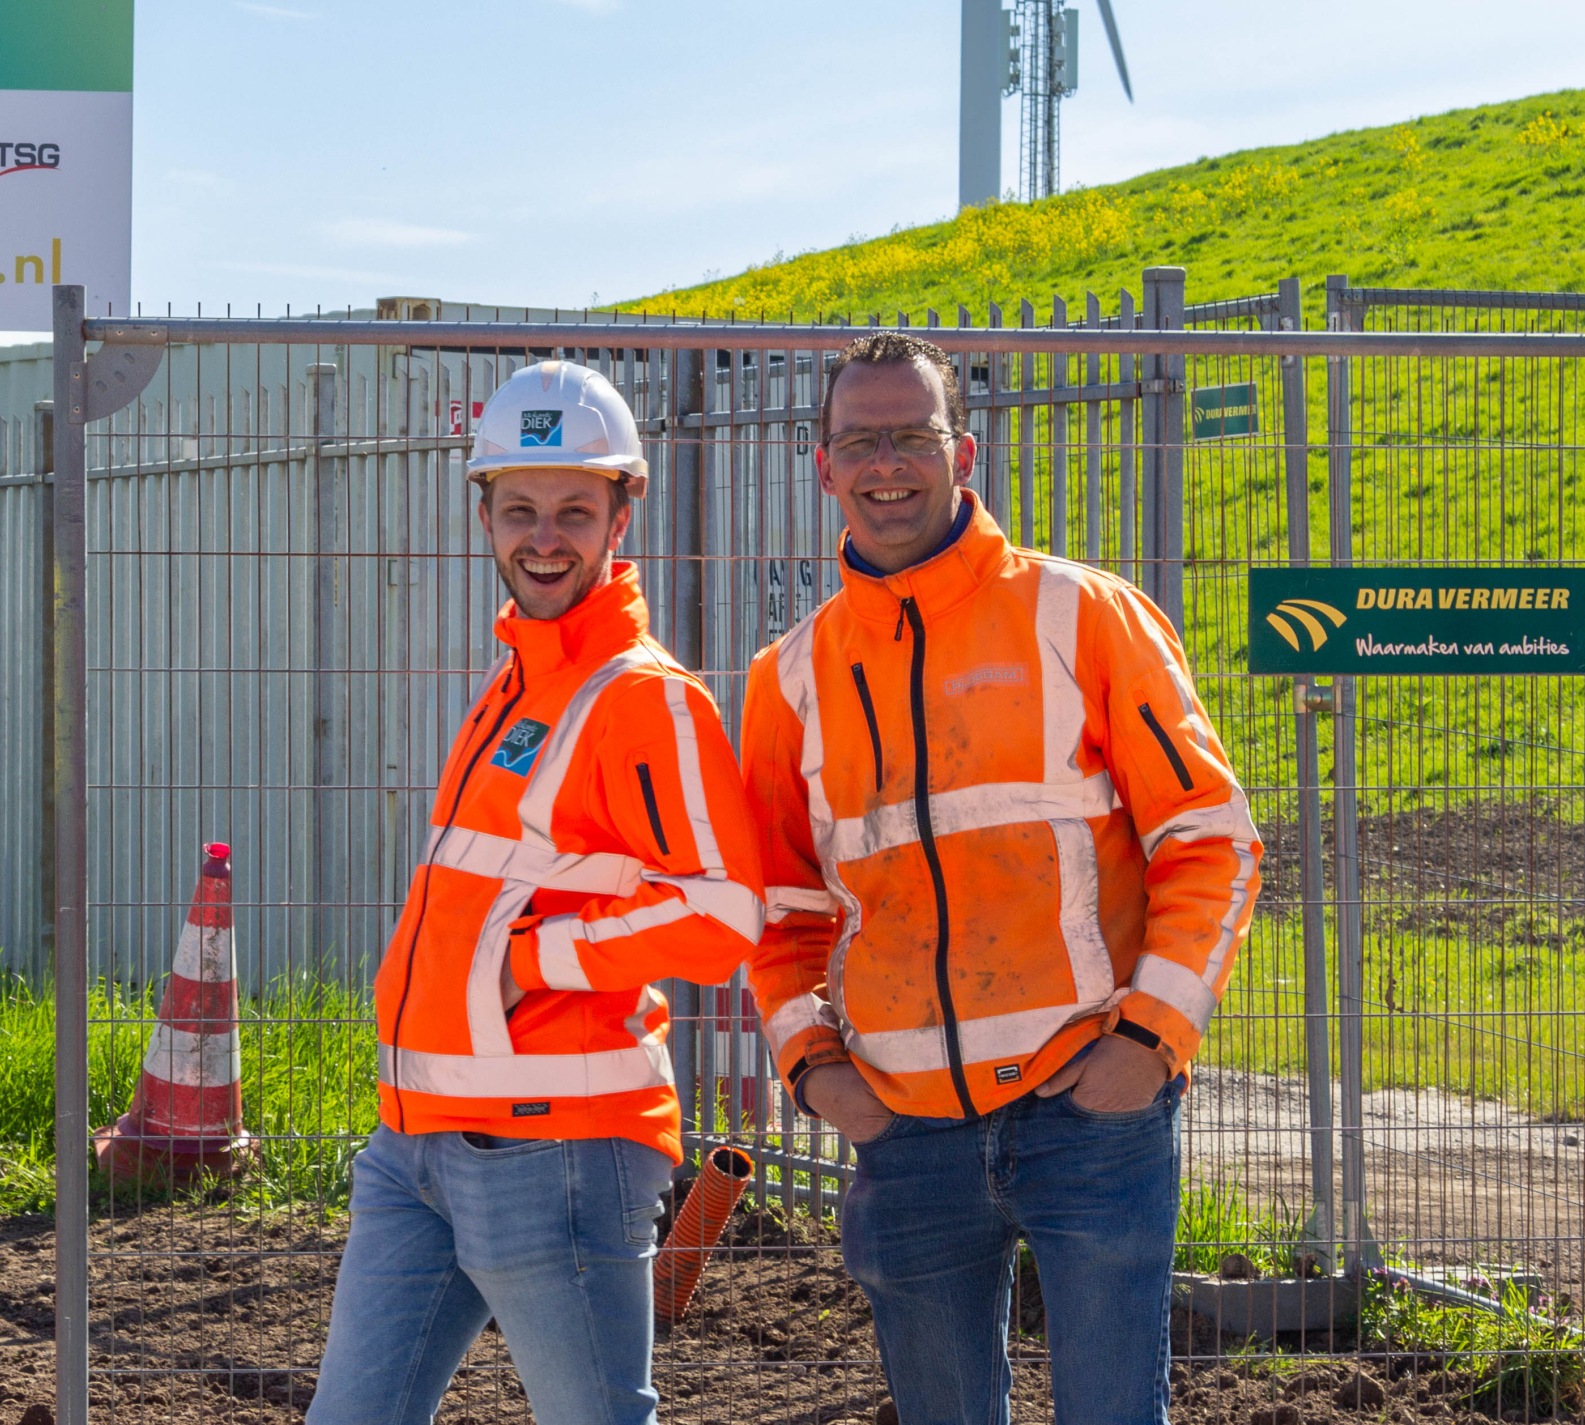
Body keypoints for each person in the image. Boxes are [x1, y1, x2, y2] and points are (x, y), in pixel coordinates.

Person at [742, 332, 1263, 1425]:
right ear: (822, 463)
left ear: (962, 451)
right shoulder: (786, 678)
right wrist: (814, 1071)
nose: (887, 463)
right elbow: (775, 905)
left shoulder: (1084, 615)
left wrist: (1150, 1042)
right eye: (860, 440)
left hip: (1091, 1110)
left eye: (911, 436)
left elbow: (1210, 839)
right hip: (904, 1127)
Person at [309, 360, 765, 1425]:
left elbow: (719, 914)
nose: (543, 537)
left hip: (557, 1149)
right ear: (484, 516)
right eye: (519, 510)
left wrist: (529, 963)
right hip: (416, 1140)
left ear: (621, 512)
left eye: (572, 510)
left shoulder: (645, 698)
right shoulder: (518, 677)